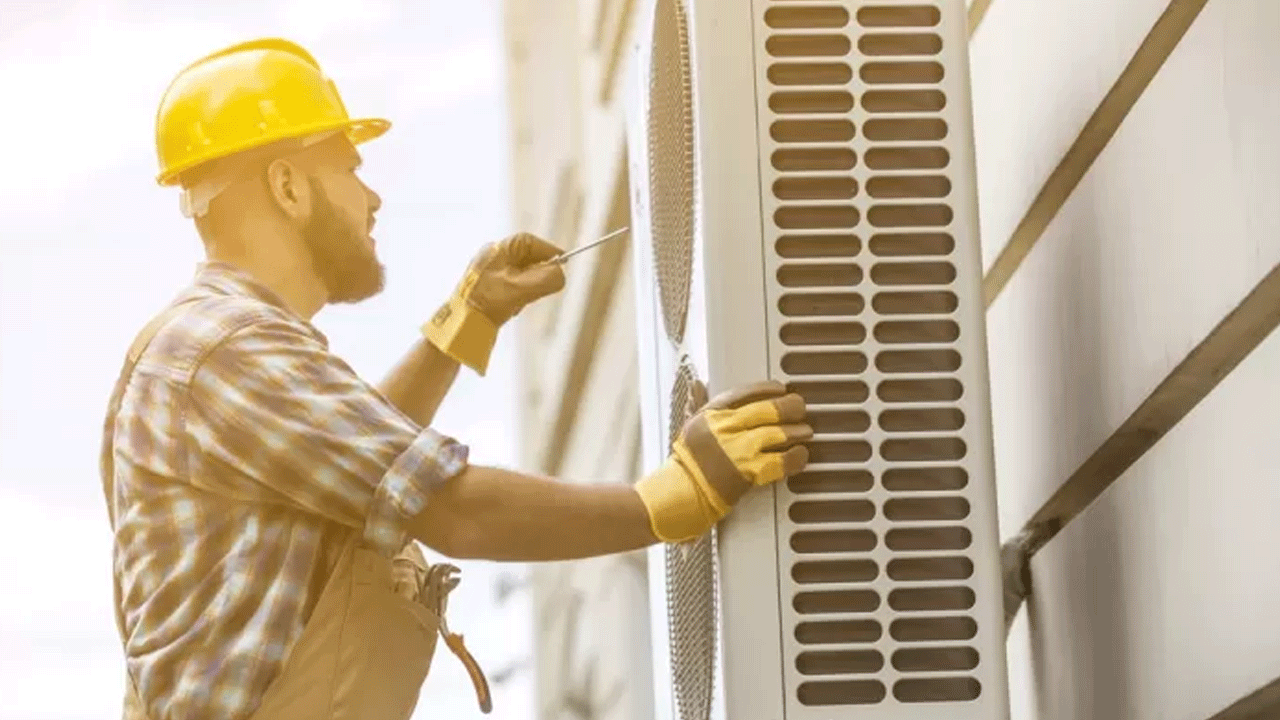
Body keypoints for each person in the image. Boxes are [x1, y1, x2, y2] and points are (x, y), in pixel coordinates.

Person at [99, 37, 812, 720]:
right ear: (287, 186)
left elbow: (357, 473)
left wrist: (468, 318)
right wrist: (676, 496)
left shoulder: (218, 347)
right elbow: (452, 508)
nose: (371, 199)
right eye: (349, 168)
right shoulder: (227, 348)